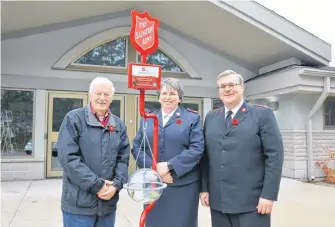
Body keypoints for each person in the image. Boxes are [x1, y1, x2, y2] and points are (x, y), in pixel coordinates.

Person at [200, 70, 284, 227]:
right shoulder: (211, 117)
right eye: (222, 86)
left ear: (242, 87)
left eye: (232, 85)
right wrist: (204, 188)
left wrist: (268, 195)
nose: (227, 89)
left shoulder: (262, 114)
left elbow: (274, 156)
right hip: (219, 201)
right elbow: (206, 157)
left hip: (252, 202)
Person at [57, 77, 130, 227]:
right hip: (79, 205)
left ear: (111, 98)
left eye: (106, 94)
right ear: (90, 95)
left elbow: (123, 159)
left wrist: (116, 185)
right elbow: (68, 159)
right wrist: (98, 185)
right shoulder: (74, 119)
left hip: (108, 205)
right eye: (98, 93)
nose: (102, 98)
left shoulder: (118, 125)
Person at [132, 78, 205, 227]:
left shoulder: (192, 118)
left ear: (180, 98)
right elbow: (138, 146)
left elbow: (197, 148)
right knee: (155, 222)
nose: (168, 97)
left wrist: (170, 166)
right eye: (164, 93)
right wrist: (156, 169)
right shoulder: (148, 118)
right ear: (159, 97)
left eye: (172, 93)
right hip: (154, 184)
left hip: (183, 185)